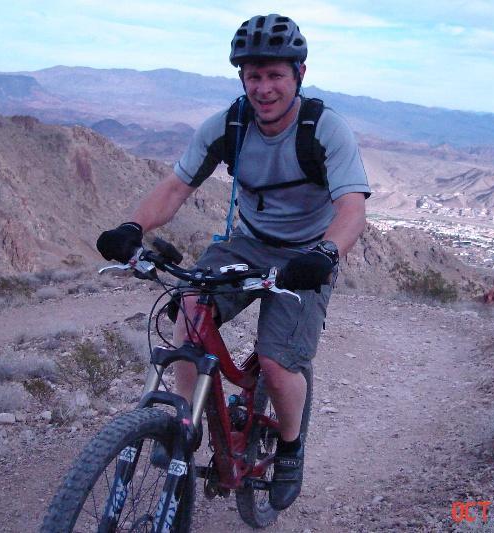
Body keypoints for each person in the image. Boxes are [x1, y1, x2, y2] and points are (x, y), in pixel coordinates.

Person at [96, 13, 370, 511]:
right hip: (248, 243)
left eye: (275, 75)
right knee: (189, 312)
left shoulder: (325, 130)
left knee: (277, 360)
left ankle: (289, 448)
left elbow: (352, 206)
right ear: (241, 78)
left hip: (307, 253)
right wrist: (133, 227)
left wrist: (325, 254)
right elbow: (178, 186)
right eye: (253, 76)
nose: (264, 88)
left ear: (299, 75)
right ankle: (184, 425)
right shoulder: (229, 125)